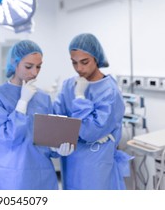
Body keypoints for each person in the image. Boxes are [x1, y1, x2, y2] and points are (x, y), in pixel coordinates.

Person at [0, 40, 74, 190]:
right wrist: (22, 103)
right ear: (14, 63)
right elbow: (5, 138)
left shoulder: (43, 98)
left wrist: (56, 148)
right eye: (28, 66)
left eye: (38, 67)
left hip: (43, 176)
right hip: (12, 177)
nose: (34, 72)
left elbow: (47, 139)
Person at [53, 33, 132, 190]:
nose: (79, 68)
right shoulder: (69, 85)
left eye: (84, 62)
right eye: (74, 63)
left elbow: (91, 131)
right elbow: (57, 119)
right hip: (71, 161)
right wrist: (55, 143)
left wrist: (80, 98)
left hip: (97, 163)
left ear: (96, 58)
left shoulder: (109, 91)